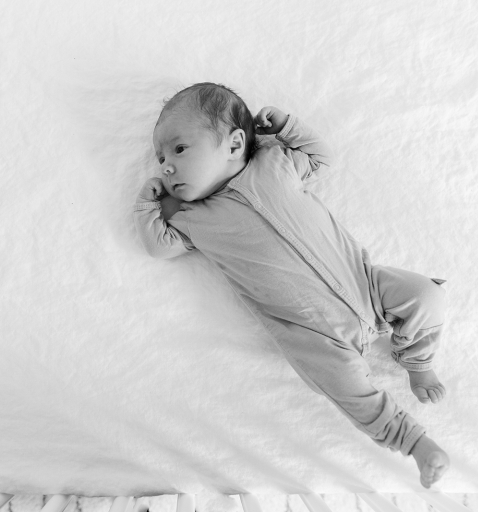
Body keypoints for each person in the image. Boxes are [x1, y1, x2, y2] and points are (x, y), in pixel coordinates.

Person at [133, 82, 450, 488]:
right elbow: (159, 248)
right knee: (345, 386)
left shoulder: (273, 163)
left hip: (368, 286)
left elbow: (320, 157)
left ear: (234, 145)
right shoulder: (191, 216)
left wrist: (287, 126)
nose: (165, 166)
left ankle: (418, 362)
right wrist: (147, 204)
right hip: (312, 332)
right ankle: (414, 443)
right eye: (160, 158)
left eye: (178, 149)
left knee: (427, 296)